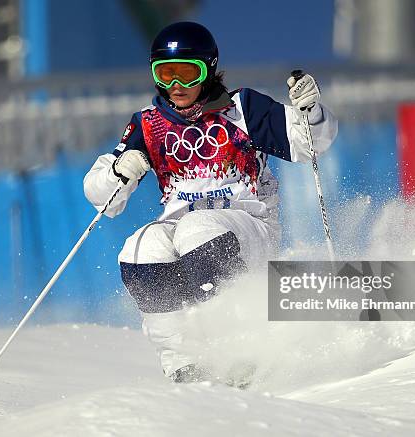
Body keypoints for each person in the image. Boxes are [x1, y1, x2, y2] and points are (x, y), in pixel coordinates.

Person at [84, 22, 338, 383]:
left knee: (196, 229)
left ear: (208, 69)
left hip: (250, 229)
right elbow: (105, 202)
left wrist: (310, 112)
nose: (176, 86)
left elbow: (310, 143)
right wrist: (117, 173)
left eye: (188, 74)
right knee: (140, 247)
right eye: (165, 73)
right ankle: (184, 364)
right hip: (186, 231)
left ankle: (237, 350)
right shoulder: (148, 124)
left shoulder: (242, 109)